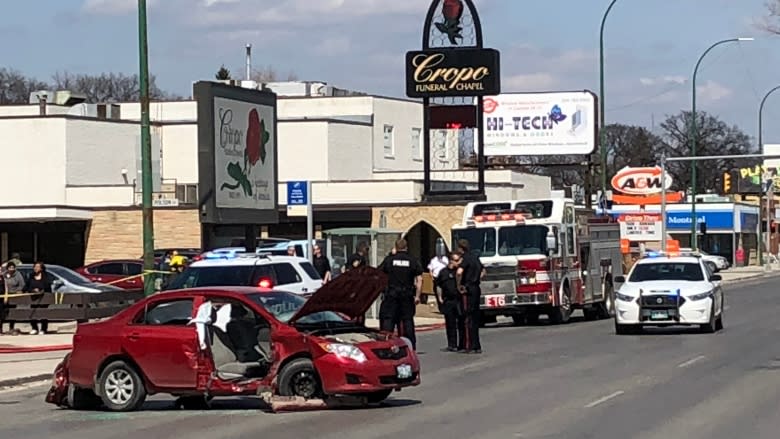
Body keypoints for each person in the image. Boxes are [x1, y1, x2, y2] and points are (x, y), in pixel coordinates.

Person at [378, 238, 423, 350]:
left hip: (391, 295)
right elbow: (419, 279)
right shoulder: (412, 260)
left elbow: (379, 274)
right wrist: (417, 296)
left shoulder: (389, 260)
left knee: (388, 320)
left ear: (396, 247)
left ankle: (386, 346)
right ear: (406, 247)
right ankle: (409, 346)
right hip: (407, 295)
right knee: (406, 321)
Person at [456, 239, 485, 354]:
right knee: (475, 317)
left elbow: (459, 272)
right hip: (476, 288)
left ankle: (469, 345)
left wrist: (459, 285)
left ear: (461, 248)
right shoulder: (475, 258)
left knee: (467, 318)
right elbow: (484, 271)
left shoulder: (466, 259)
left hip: (467, 289)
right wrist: (477, 279)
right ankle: (477, 345)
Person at [435, 252, 462, 352]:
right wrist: (439, 297)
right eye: (456, 260)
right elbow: (438, 285)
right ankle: (452, 344)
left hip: (458, 300)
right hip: (448, 300)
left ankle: (461, 344)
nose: (458, 263)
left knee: (461, 323)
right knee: (450, 323)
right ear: (451, 260)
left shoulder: (459, 271)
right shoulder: (443, 272)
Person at [25, 262, 53, 335]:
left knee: (43, 313)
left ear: (41, 268)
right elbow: (27, 286)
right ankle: (34, 328)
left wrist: (41, 290)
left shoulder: (45, 276)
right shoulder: (31, 276)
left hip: (43, 298)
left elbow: (47, 286)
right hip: (33, 298)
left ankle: (43, 329)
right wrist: (32, 290)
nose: (36, 268)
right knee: (33, 313)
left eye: (37, 267)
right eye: (35, 267)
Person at [1, 261, 25, 335]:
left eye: (12, 267)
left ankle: (11, 327)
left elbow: (22, 284)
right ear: (7, 268)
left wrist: (18, 290)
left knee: (12, 312)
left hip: (14, 295)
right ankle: (1, 328)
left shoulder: (18, 275)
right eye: (9, 267)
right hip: (5, 295)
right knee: (3, 312)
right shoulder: (4, 275)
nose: (11, 269)